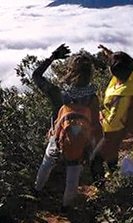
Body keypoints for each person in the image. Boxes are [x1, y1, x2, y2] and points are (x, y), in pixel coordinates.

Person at [33, 44, 102, 208]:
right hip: (80, 142)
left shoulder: (58, 93)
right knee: (73, 176)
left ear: (70, 71)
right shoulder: (92, 98)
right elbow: (94, 124)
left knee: (47, 163)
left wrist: (52, 57)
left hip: (57, 138)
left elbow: (36, 76)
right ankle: (67, 207)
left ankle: (36, 191)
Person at [89, 49, 133, 183]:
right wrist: (108, 54)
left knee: (95, 160)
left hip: (114, 131)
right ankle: (115, 176)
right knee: (111, 153)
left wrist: (103, 118)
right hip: (119, 126)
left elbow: (114, 121)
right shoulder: (132, 77)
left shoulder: (122, 95)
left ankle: (101, 189)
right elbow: (125, 63)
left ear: (115, 71)